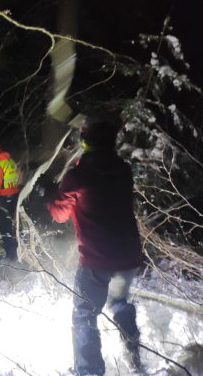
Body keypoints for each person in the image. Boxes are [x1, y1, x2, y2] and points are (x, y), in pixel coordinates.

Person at [46, 113, 144, 376]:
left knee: (84, 315)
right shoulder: (123, 169)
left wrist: (51, 195)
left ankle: (88, 371)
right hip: (128, 257)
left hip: (97, 260)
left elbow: (59, 214)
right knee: (120, 304)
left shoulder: (79, 175)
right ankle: (134, 361)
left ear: (86, 141)